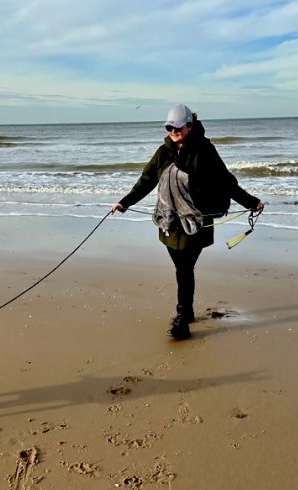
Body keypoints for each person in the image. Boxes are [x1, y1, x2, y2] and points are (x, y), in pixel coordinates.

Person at [110, 104, 264, 339]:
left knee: (185, 266)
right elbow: (147, 180)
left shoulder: (205, 150)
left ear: (190, 126)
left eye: (178, 127)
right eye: (169, 127)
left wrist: (250, 202)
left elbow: (225, 181)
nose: (173, 131)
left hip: (196, 220)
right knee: (181, 267)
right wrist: (124, 202)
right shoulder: (163, 152)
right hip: (170, 221)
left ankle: (182, 318)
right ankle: (187, 311)